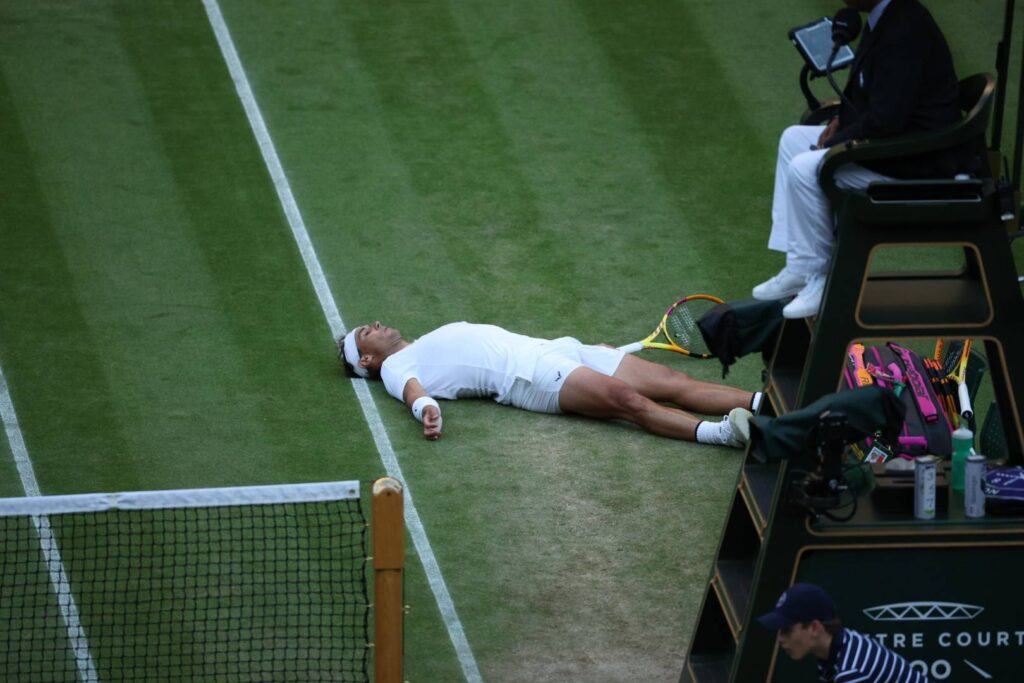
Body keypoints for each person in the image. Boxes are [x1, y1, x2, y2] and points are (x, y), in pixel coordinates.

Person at [753, 0, 968, 319]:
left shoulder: (903, 30)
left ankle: (822, 278)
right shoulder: (886, 16)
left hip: (917, 160)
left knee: (806, 168)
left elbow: (887, 119)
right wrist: (842, 119)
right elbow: (874, 94)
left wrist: (839, 141)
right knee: (793, 140)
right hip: (898, 143)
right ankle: (799, 266)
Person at [337, 321, 761, 446]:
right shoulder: (395, 368)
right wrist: (427, 410)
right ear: (369, 360)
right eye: (364, 334)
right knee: (625, 401)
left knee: (672, 380)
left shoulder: (421, 341)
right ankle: (721, 434)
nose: (373, 325)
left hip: (559, 349)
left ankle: (761, 402)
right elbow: (414, 392)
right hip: (531, 379)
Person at [758, 582, 929, 682]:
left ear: (815, 627)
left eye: (787, 629)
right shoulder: (841, 646)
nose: (780, 638)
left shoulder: (852, 671)